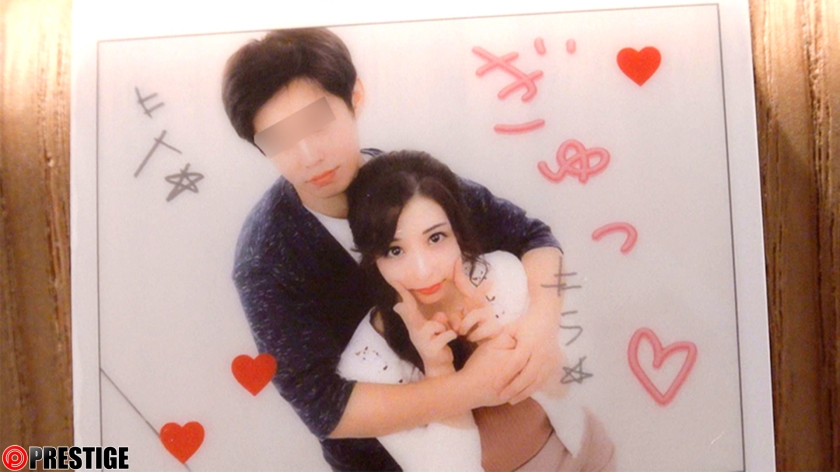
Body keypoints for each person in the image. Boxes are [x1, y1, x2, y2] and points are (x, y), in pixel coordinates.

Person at [223, 28, 567, 470]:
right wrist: (468, 389)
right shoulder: (266, 260)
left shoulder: (407, 180)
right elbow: (323, 407)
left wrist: (541, 327)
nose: (308, 155)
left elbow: (533, 237)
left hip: (524, 438)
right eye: (279, 140)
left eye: (316, 122)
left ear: (355, 96)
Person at [339, 151, 615, 471]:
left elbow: (572, 386)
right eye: (395, 250)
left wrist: (509, 346)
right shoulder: (368, 364)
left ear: (457, 232)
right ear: (372, 257)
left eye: (436, 238)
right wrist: (439, 370)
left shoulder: (505, 275)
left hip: (584, 453)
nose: (423, 270)